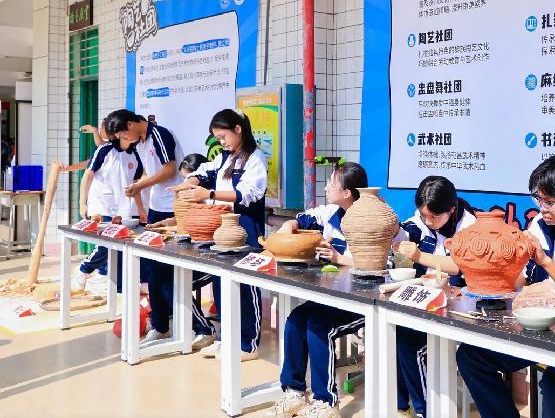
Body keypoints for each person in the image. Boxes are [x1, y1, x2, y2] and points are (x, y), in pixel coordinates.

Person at [457, 154, 555, 418]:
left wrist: (546, 262)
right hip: (539, 330)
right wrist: (496, 273)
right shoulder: (539, 225)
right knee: (471, 356)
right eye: (538, 199)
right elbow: (523, 281)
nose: (542, 208)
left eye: (550, 202)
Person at [271, 162, 373, 418]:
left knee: (319, 327)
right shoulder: (330, 212)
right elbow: (301, 219)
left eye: (331, 184)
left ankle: (326, 401)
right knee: (296, 320)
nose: (326, 187)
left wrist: (339, 259)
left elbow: (383, 265)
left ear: (347, 192)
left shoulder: (373, 218)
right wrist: (289, 226)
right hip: (333, 296)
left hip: (363, 302)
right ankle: (294, 391)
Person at [171, 109, 268, 360]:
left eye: (223, 136)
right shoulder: (225, 157)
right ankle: (227, 338)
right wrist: (192, 182)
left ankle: (248, 344)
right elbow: (204, 171)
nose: (221, 142)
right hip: (221, 227)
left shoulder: (254, 158)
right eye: (217, 138)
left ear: (238, 129)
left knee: (245, 283)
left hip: (245, 226)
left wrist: (209, 194)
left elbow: (249, 194)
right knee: (221, 282)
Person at [390, 175, 476, 418]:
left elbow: (458, 265)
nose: (428, 221)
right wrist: (394, 231)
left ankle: (425, 411)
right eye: (423, 215)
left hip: (459, 307)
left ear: (451, 209)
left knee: (409, 344)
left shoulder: (469, 226)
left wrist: (419, 256)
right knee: (393, 334)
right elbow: (405, 232)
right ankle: (401, 405)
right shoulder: (421, 220)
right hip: (426, 301)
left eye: (434, 216)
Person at [105, 108, 190, 347]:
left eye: (123, 134)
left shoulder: (159, 134)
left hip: (173, 207)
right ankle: (160, 324)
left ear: (131, 124)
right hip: (156, 207)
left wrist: (141, 185)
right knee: (154, 269)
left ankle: (190, 325)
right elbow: (150, 172)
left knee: (170, 272)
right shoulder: (140, 143)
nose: (124, 139)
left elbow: (169, 169)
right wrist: (139, 191)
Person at [73, 123, 146, 290]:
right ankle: (84, 269)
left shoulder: (135, 154)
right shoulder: (104, 150)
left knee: (121, 246)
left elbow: (134, 185)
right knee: (107, 242)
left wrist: (141, 209)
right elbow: (87, 176)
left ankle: (120, 287)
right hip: (102, 204)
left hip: (124, 208)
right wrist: (82, 203)